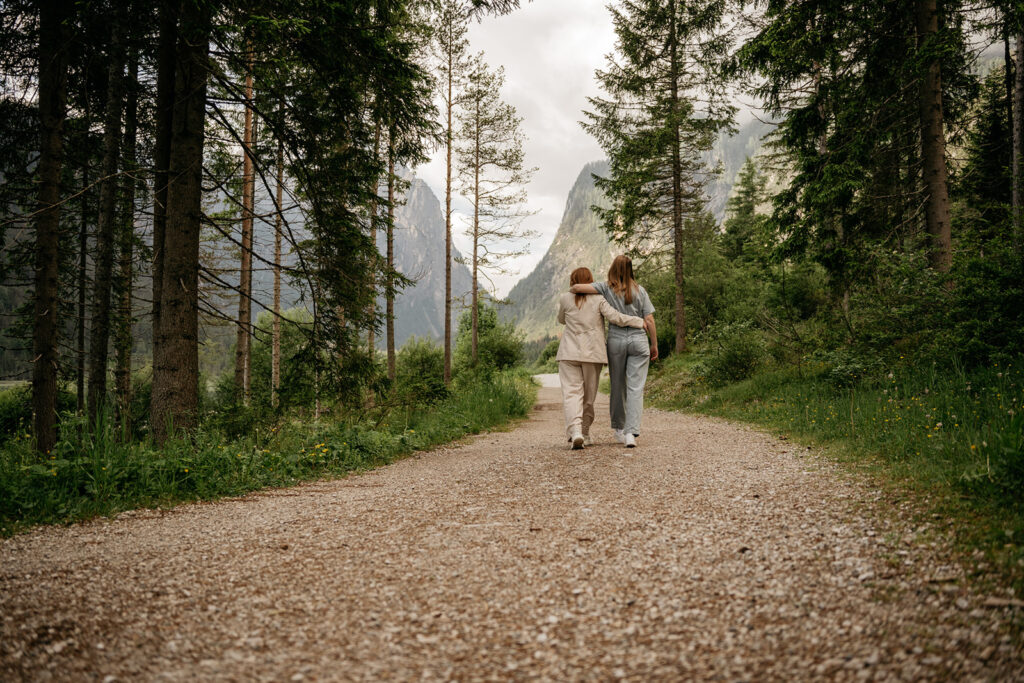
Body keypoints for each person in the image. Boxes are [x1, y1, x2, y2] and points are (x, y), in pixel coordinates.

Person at [569, 255, 657, 448]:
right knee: (635, 388)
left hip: (616, 341)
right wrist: (654, 345)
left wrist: (574, 286)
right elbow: (649, 320)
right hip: (638, 340)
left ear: (612, 269)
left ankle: (619, 428)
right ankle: (630, 434)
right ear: (630, 269)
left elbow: (577, 289)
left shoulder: (605, 288)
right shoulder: (640, 291)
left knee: (617, 385)